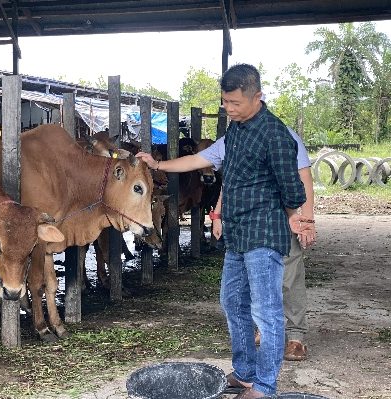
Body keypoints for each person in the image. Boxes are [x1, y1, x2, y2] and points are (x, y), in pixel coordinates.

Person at [136, 64, 314, 398]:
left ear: (256, 96)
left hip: (264, 234)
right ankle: (245, 373)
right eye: (225, 102)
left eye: (234, 102)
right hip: (238, 235)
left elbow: (293, 188)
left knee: (267, 312)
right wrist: (158, 164)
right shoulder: (235, 132)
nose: (228, 109)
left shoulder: (275, 134)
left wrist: (296, 217)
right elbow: (201, 159)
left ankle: (264, 386)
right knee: (232, 301)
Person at [145, 128, 314, 361]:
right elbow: (199, 162)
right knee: (249, 278)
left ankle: (296, 337)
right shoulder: (231, 140)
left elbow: (304, 175)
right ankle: (263, 329)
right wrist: (158, 166)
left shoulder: (284, 136)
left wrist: (308, 220)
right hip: (244, 222)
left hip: (281, 216)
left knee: (289, 274)